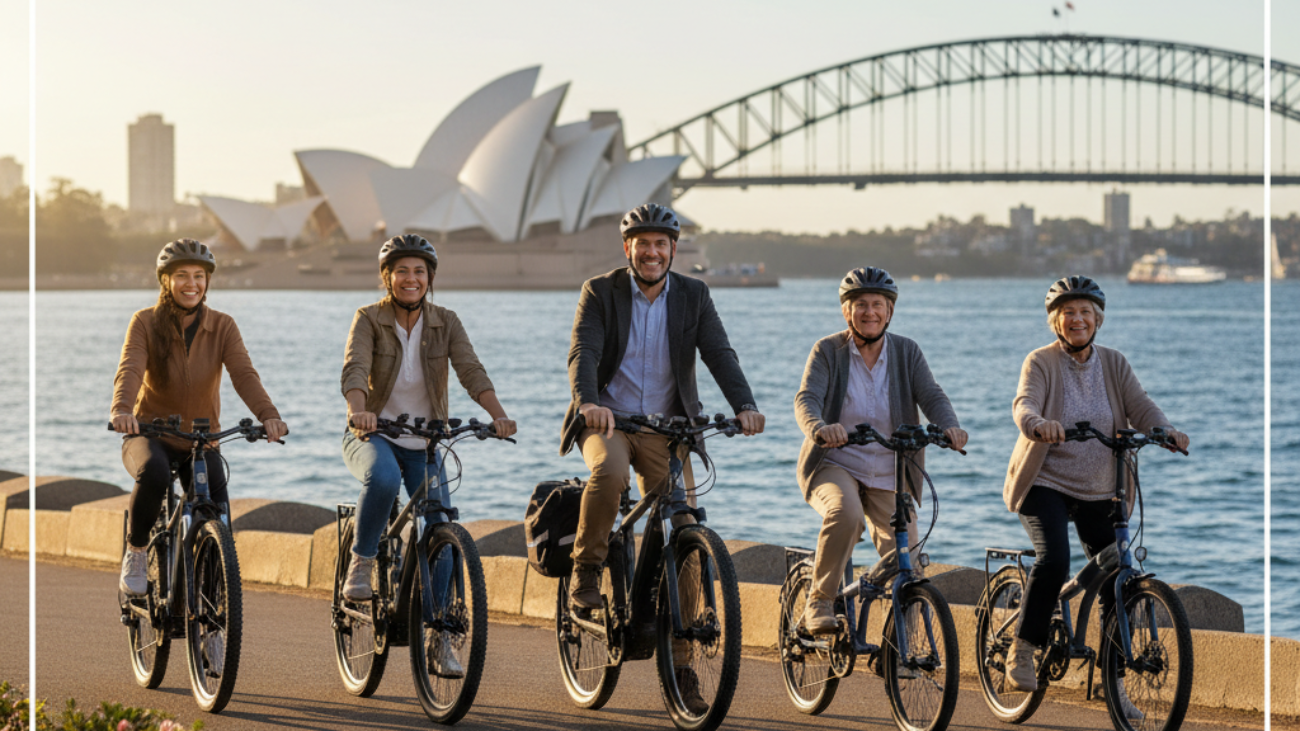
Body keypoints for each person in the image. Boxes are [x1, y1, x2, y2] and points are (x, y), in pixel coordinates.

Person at [1001, 276, 1189, 703]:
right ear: (1056, 321)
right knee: (1055, 558)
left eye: (1085, 312)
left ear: (1098, 319)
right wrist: (1036, 425)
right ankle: (1023, 648)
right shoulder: (1040, 362)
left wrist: (1165, 430)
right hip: (1045, 482)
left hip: (1102, 486)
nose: (1077, 319)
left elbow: (1140, 405)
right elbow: (1024, 402)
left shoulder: (1114, 362)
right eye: (1068, 313)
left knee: (1117, 578)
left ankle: (1113, 680)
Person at [339, 234, 516, 676]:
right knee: (380, 480)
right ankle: (361, 563)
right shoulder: (368, 318)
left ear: (430, 278)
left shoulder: (446, 322)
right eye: (402, 271)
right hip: (374, 433)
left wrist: (498, 415)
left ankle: (439, 639)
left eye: (419, 271)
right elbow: (355, 367)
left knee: (443, 532)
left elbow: (471, 371)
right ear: (387, 277)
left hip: (426, 440)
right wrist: (359, 412)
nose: (410, 279)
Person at [793, 267, 967, 635]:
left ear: (889, 311)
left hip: (891, 468)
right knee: (846, 514)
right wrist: (821, 428)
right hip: (835, 462)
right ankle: (820, 600)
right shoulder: (827, 350)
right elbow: (807, 398)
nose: (869, 312)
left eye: (878, 305)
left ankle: (900, 642)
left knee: (908, 559)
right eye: (860, 305)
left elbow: (932, 395)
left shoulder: (906, 351)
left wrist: (949, 425)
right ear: (846, 311)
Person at [112, 239, 289, 596]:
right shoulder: (144, 322)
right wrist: (122, 410)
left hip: (201, 439)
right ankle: (137, 551)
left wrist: (269, 416)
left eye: (199, 276)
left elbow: (244, 375)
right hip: (150, 434)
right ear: (166, 280)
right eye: (181, 276)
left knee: (215, 509)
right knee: (155, 473)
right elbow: (130, 368)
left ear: (207, 281)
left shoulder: (223, 326)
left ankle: (211, 591)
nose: (191, 283)